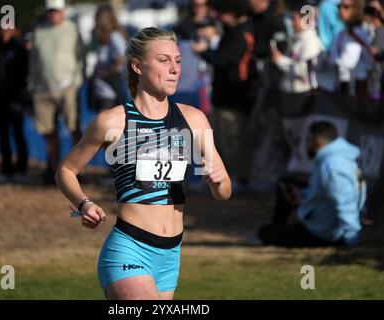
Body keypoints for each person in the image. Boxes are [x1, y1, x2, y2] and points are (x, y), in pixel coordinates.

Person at [55, 27, 231, 300]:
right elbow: (66, 171)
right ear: (137, 66)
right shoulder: (112, 121)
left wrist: (219, 181)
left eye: (178, 61)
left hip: (170, 256)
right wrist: (84, 203)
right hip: (129, 249)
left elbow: (224, 192)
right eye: (164, 60)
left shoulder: (194, 120)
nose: (174, 69)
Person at [258, 121, 366, 248]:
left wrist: (351, 240)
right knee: (286, 182)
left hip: (326, 235)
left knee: (266, 231)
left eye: (308, 140)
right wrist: (302, 196)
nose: (306, 145)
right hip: (325, 224)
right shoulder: (337, 160)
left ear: (317, 141)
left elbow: (346, 205)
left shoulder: (333, 166)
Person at [192, 0, 255, 182]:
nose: (220, 17)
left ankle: (237, 178)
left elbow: (223, 60)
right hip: (223, 97)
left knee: (232, 140)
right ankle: (224, 178)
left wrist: (203, 51)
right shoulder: (232, 31)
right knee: (219, 140)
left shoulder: (241, 32)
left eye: (222, 13)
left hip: (234, 98)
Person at [29, 0, 86, 184]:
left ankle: (77, 171)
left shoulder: (72, 29)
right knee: (48, 132)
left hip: (67, 86)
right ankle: (54, 171)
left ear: (63, 11)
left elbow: (80, 57)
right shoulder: (40, 31)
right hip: (43, 89)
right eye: (50, 11)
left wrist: (76, 81)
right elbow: (34, 60)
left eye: (56, 11)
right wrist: (33, 84)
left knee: (73, 129)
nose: (52, 14)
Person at [0, 28, 29, 183]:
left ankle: (21, 169)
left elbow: (25, 73)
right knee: (3, 135)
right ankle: (6, 170)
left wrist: (22, 98)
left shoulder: (20, 48)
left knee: (18, 133)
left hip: (15, 98)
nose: (5, 32)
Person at [271, 2, 323, 117]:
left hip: (301, 96)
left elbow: (305, 70)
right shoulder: (297, 38)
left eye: (294, 19)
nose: (292, 23)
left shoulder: (311, 42)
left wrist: (280, 60)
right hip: (289, 93)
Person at [88, 3, 129, 111]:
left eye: (100, 18)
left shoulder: (114, 36)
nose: (97, 21)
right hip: (102, 89)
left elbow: (123, 58)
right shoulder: (102, 39)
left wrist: (107, 73)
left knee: (111, 121)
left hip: (112, 87)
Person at [330, 0, 373, 96]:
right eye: (340, 6)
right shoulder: (344, 31)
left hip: (355, 87)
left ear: (355, 10)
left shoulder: (358, 31)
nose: (341, 9)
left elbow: (349, 62)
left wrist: (334, 59)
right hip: (346, 84)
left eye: (346, 7)